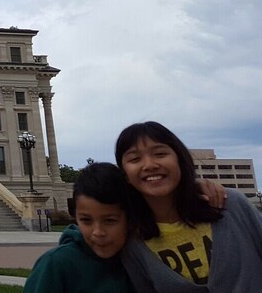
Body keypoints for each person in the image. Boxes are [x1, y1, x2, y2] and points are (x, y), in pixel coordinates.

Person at [116, 121, 262, 292]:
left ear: (180, 158)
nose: (149, 165)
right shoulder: (133, 243)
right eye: (135, 159)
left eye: (160, 153)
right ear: (125, 174)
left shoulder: (231, 205)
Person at [23, 162, 135, 292]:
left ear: (130, 218)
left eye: (109, 221)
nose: (98, 232)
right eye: (86, 220)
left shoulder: (139, 259)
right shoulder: (55, 265)